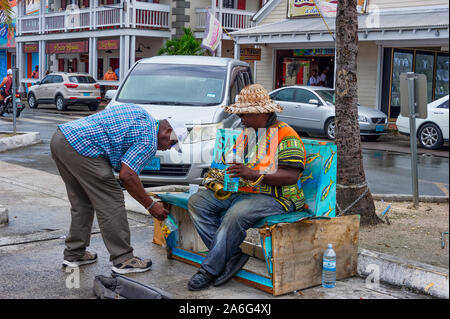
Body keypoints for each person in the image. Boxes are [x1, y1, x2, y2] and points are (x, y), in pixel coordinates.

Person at [187, 84, 306, 291]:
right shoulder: (247, 133)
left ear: (264, 113)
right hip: (244, 192)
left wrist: (252, 174)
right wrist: (219, 174)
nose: (241, 117)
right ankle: (231, 255)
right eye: (240, 113)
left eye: (246, 114)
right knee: (197, 202)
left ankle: (210, 269)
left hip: (278, 198)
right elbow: (235, 164)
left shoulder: (286, 135)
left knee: (235, 214)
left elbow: (291, 176)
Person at [50, 104, 188, 274]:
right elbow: (127, 176)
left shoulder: (141, 113)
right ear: (167, 132)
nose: (168, 148)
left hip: (62, 138)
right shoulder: (149, 140)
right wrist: (151, 205)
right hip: (84, 147)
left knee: (82, 202)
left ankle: (74, 254)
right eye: (173, 143)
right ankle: (123, 259)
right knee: (112, 199)